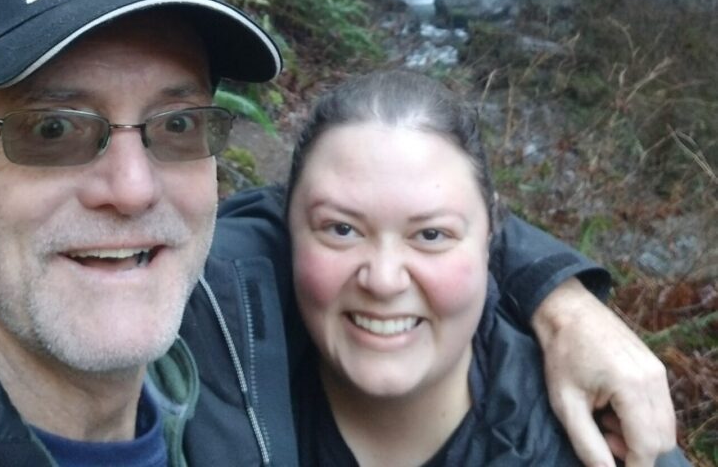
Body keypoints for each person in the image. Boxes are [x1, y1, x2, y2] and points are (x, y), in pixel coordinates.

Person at [0, 0, 677, 466]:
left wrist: (564, 304)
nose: (133, 188)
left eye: (178, 127)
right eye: (54, 130)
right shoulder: (214, 301)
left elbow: (373, 208)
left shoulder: (222, 301)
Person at [274, 70, 687, 466]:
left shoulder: (620, 443)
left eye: (432, 235)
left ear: (491, 235)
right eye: (342, 229)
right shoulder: (221, 362)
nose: (383, 280)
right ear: (285, 226)